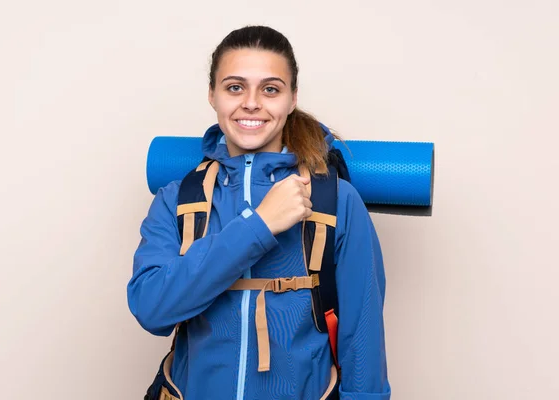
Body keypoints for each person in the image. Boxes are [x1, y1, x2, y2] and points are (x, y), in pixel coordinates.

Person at [127, 25, 391, 400]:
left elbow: (362, 338)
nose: (251, 103)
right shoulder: (178, 199)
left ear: (292, 98)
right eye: (235, 87)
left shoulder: (337, 201)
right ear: (212, 95)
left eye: (270, 89)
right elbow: (151, 310)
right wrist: (261, 225)